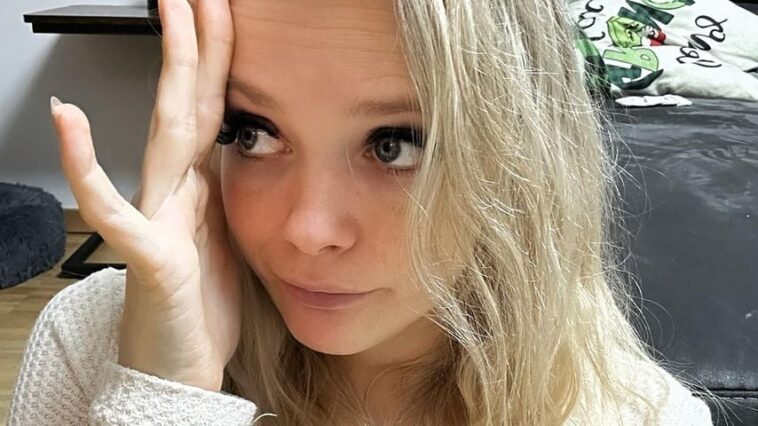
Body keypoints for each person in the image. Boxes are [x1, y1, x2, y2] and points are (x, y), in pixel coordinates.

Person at [8, 0, 716, 424]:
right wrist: (165, 396)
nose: (307, 231)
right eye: (250, 132)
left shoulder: (634, 414)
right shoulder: (95, 338)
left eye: (394, 144)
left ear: (522, 156)